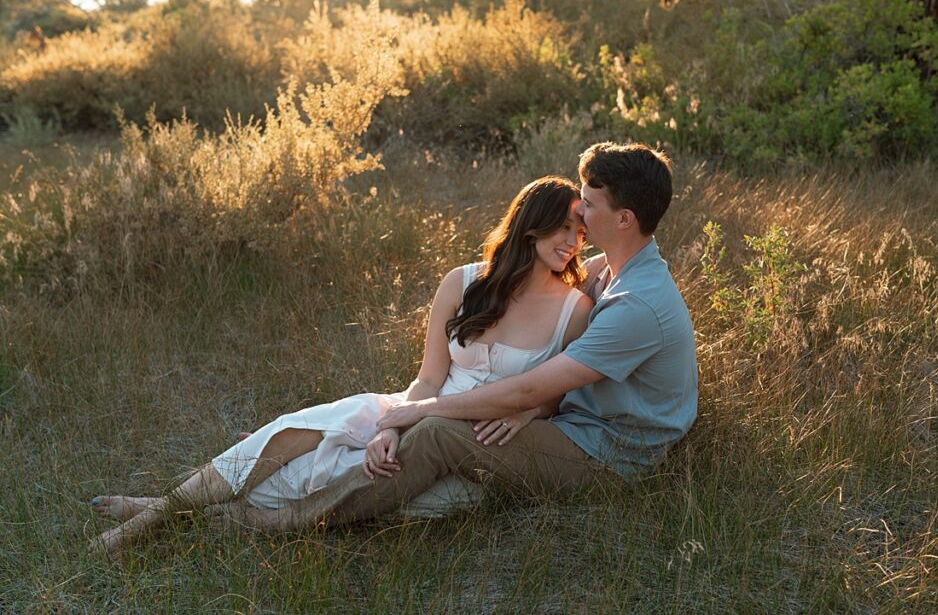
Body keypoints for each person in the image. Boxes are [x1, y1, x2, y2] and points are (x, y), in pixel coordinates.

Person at [88, 176, 593, 554]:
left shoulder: (574, 310)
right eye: (563, 227)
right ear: (531, 224)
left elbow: (547, 401)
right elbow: (429, 377)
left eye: (580, 233)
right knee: (298, 432)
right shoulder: (462, 282)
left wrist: (520, 415)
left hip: (467, 445)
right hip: (415, 406)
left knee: (345, 483)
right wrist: (392, 425)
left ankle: (195, 517)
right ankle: (152, 516)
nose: (572, 242)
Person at [217, 141, 699, 533]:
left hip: (605, 456)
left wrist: (425, 410)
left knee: (438, 434)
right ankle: (298, 458)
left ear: (624, 219)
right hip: (571, 424)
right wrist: (526, 408)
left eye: (589, 205)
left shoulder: (637, 302)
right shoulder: (605, 270)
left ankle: (291, 523)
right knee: (408, 423)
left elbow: (534, 386)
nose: (579, 215)